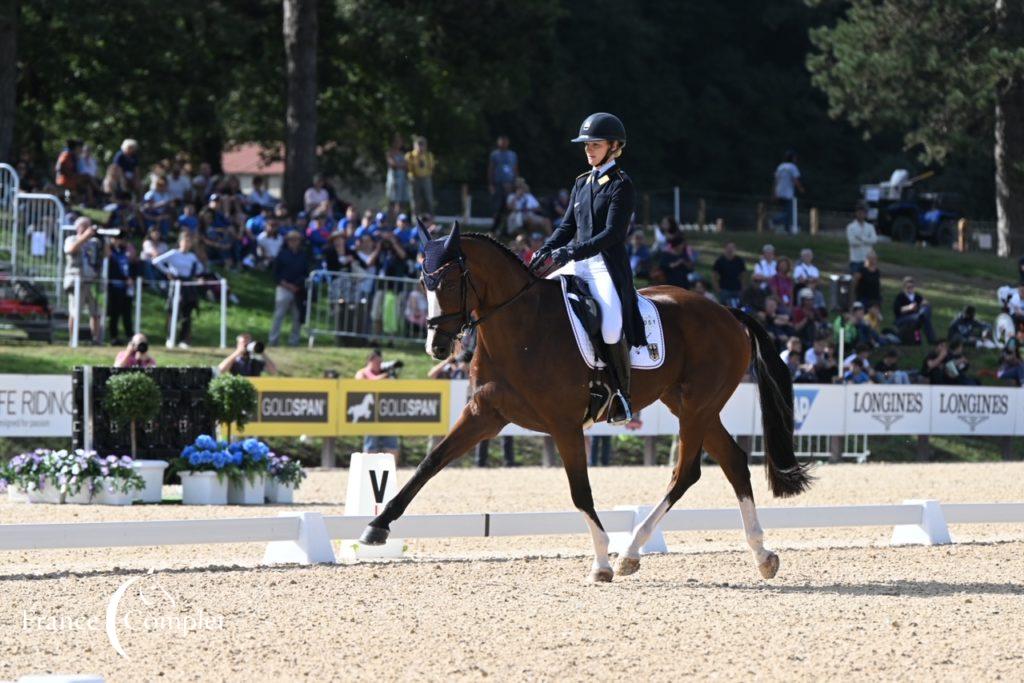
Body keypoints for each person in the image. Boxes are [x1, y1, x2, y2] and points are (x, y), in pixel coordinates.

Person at [529, 112, 644, 424]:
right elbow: (566, 226)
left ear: (614, 146)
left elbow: (612, 235)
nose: (589, 150)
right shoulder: (582, 182)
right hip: (575, 262)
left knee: (610, 326)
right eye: (586, 145)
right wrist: (547, 248)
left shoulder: (621, 185)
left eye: (595, 144)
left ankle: (621, 395)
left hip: (604, 266)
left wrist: (572, 251)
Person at [153, 232, 204, 348]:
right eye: (185, 241)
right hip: (176, 286)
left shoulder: (192, 257)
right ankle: (170, 338)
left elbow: (199, 269)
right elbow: (156, 261)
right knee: (173, 313)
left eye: (189, 242)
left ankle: (183, 340)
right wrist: (168, 272)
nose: (187, 244)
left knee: (187, 314)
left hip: (188, 286)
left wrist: (197, 277)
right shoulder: (173, 253)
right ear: (180, 242)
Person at [62, 216, 102, 342]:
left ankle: (96, 339)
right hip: (76, 281)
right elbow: (71, 249)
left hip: (91, 281)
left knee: (96, 312)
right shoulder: (71, 239)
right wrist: (85, 236)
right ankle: (72, 340)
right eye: (84, 225)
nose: (87, 228)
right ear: (77, 227)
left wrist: (104, 239)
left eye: (89, 225)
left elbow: (106, 255)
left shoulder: (94, 242)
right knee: (75, 312)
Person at [355, 349, 400, 457]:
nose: (379, 365)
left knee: (392, 445)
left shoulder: (385, 375)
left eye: (380, 362)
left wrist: (391, 375)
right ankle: (369, 470)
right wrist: (385, 375)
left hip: (386, 413)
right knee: (371, 445)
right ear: (370, 361)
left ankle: (391, 471)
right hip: (370, 415)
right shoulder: (362, 373)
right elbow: (364, 383)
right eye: (377, 362)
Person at [269, 231, 310, 347]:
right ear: (287, 241)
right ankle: (273, 340)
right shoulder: (282, 254)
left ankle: (294, 341)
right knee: (279, 315)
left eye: (296, 240)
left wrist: (298, 286)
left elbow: (306, 272)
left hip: (298, 290)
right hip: (283, 288)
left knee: (297, 317)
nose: (294, 242)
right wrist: (286, 284)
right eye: (291, 240)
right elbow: (275, 273)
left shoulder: (303, 255)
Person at [106, 231, 137, 343]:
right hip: (115, 287)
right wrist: (125, 279)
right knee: (115, 312)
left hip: (126, 288)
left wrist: (131, 278)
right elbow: (112, 268)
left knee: (127, 312)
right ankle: (114, 337)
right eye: (118, 238)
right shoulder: (111, 252)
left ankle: (130, 336)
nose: (121, 241)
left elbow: (132, 264)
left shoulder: (125, 251)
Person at [893, 276, 937, 344]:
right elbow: (897, 310)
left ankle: (929, 340)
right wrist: (909, 307)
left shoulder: (917, 296)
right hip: (903, 318)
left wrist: (924, 305)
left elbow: (925, 303)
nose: (910, 289)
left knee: (926, 310)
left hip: (917, 318)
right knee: (922, 318)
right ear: (904, 287)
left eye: (912, 287)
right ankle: (932, 341)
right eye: (908, 287)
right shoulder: (900, 296)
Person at [488, 135, 519, 232]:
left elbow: (515, 169)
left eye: (505, 141)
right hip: (498, 185)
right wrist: (491, 184)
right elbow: (491, 169)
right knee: (497, 208)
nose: (503, 143)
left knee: (509, 208)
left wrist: (516, 183)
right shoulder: (495, 155)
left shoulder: (513, 155)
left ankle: (506, 230)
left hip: (510, 185)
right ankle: (494, 229)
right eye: (501, 141)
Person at [772, 149, 803, 233]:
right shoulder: (793, 167)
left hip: (779, 192)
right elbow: (795, 180)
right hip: (788, 193)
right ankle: (774, 221)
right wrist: (800, 188)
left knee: (785, 211)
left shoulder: (780, 167)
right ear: (792, 158)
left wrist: (774, 193)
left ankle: (787, 230)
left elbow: (776, 180)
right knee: (789, 213)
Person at [406, 136, 436, 217]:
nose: (420, 147)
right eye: (419, 144)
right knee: (415, 201)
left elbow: (431, 168)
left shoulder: (428, 155)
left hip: (426, 179)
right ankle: (415, 221)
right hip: (414, 179)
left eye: (422, 145)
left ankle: (430, 219)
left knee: (428, 199)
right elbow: (408, 168)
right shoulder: (410, 155)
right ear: (414, 146)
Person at [846, 202, 877, 273]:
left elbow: (874, 240)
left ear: (866, 214)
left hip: (868, 259)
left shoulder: (870, 227)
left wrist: (860, 238)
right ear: (856, 213)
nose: (861, 214)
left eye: (863, 212)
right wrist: (867, 240)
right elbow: (852, 242)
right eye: (859, 212)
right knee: (855, 281)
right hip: (855, 259)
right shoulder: (851, 227)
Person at [712, 241, 746, 307]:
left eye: (732, 247)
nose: (730, 249)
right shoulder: (719, 261)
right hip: (724, 290)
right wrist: (717, 289)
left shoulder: (739, 260)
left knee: (739, 309)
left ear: (735, 249)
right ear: (725, 248)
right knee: (725, 309)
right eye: (729, 247)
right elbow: (714, 276)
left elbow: (743, 275)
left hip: (737, 289)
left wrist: (743, 287)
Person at [385, 134, 409, 214]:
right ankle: (392, 220)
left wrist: (400, 165)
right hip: (394, 178)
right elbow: (393, 164)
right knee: (393, 200)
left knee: (401, 202)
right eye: (397, 141)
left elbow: (406, 165)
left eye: (400, 141)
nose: (399, 143)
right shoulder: (390, 153)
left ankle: (401, 217)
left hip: (402, 179)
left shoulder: (403, 153)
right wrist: (401, 165)